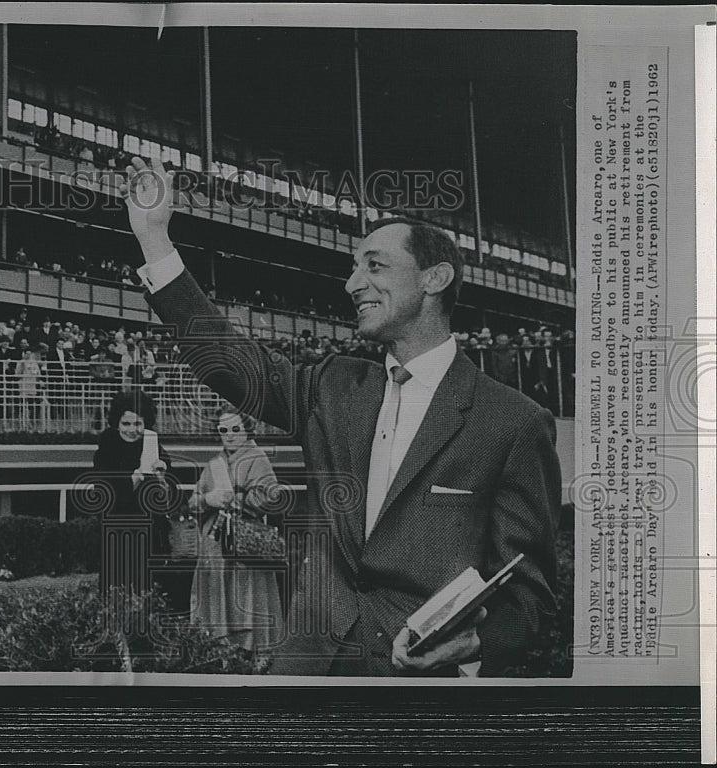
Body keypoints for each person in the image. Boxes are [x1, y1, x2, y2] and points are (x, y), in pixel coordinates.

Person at [120, 157, 561, 677]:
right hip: (305, 667)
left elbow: (530, 596)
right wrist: (154, 241)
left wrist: (473, 642)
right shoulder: (331, 385)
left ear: (435, 278)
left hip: (415, 689)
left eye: (374, 265)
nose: (352, 284)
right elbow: (229, 364)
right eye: (354, 268)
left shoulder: (513, 422)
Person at [189, 404, 284, 653]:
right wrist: (207, 499)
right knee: (214, 610)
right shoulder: (214, 463)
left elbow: (271, 497)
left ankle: (251, 656)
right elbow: (192, 502)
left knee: (247, 603)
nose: (229, 435)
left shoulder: (257, 458)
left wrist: (236, 500)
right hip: (214, 548)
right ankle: (218, 654)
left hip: (244, 549)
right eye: (224, 430)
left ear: (246, 429)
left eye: (235, 429)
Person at [92, 391, 180, 610]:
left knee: (150, 595)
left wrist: (163, 480)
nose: (132, 429)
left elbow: (171, 495)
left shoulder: (154, 447)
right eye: (126, 423)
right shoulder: (106, 448)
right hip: (118, 534)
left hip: (150, 534)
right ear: (117, 423)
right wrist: (134, 479)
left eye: (138, 423)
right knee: (116, 594)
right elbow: (103, 495)